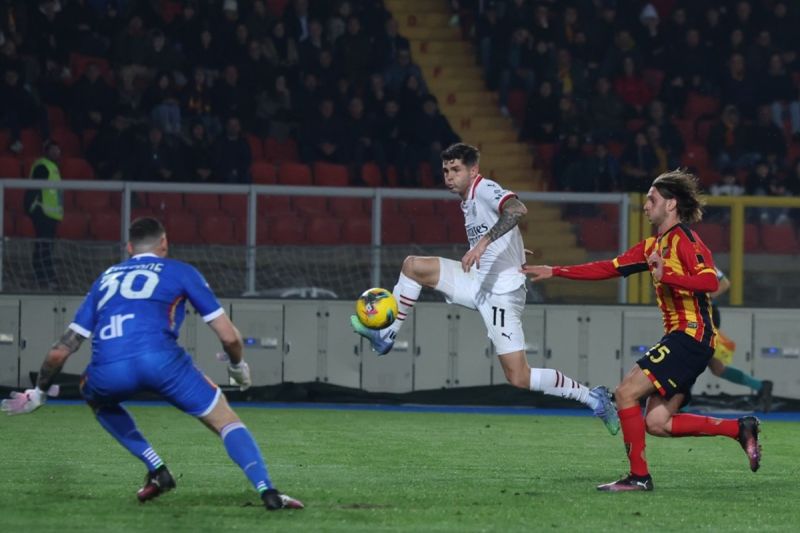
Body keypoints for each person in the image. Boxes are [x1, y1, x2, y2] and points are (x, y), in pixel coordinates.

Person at [1, 217, 303, 511]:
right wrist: (237, 367)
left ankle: (157, 469)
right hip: (163, 363)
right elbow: (229, 337)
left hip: (109, 369)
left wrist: (39, 393)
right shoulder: (181, 272)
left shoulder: (105, 278)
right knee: (225, 421)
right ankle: (268, 490)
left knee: (94, 396)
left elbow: (60, 351)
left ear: (129, 247)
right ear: (164, 243)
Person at [350, 143, 620, 435]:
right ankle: (386, 335)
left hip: (502, 295)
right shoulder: (467, 200)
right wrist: (511, 249)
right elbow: (502, 224)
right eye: (445, 170)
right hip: (477, 280)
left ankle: (593, 398)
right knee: (413, 266)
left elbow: (516, 209)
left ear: (473, 171)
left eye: (456, 170)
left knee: (519, 376)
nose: (449, 176)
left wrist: (483, 244)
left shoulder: (484, 188)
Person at [522, 169, 761, 492]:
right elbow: (608, 267)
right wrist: (556, 271)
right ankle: (739, 429)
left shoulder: (686, 240)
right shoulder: (652, 246)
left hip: (692, 335)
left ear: (671, 204)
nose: (646, 205)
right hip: (681, 337)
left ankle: (639, 477)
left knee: (625, 393)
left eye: (652, 199)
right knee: (657, 423)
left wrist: (668, 276)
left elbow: (710, 281)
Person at [704, 268, 773, 411]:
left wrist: (704, 299)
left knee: (690, 359)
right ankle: (761, 386)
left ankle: (682, 407)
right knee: (716, 367)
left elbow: (724, 283)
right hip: (695, 315)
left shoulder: (702, 261)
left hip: (704, 315)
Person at [24, 139, 63, 289]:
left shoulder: (53, 168)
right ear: (46, 151)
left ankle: (44, 275)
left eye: (57, 149)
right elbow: (33, 188)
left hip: (50, 214)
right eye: (53, 149)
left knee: (46, 245)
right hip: (42, 212)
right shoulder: (43, 166)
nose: (56, 152)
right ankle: (45, 276)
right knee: (44, 246)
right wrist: (29, 207)